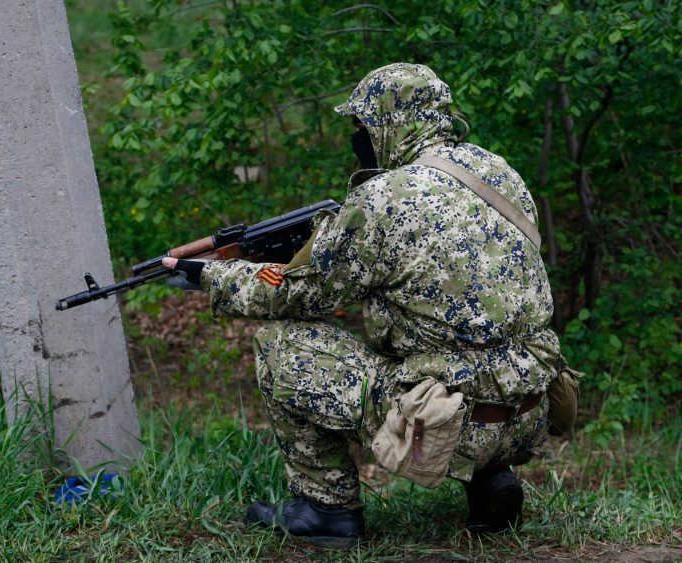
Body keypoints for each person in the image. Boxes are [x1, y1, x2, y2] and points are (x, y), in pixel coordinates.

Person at [162, 63, 571, 548]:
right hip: (531, 413)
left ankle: (326, 510)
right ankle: (490, 482)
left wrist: (209, 275)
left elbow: (295, 294)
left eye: (361, 126)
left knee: (281, 344)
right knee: (460, 335)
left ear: (388, 122)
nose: (357, 138)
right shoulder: (499, 173)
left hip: (450, 424)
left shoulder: (381, 199)